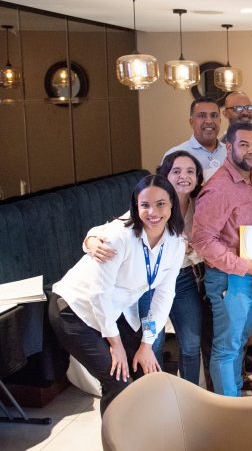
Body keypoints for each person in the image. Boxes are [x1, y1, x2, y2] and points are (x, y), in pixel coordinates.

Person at [49, 175, 185, 414]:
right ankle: (116, 443)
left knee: (146, 369)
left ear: (172, 204)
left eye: (161, 204)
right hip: (74, 310)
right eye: (145, 205)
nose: (153, 211)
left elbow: (164, 297)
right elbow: (97, 295)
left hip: (111, 310)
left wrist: (147, 344)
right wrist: (116, 344)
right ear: (135, 207)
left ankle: (143, 436)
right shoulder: (118, 237)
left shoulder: (175, 243)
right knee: (117, 380)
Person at [83, 151, 204, 385]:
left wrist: (194, 251)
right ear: (165, 175)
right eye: (176, 171)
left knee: (191, 342)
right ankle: (155, 395)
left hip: (184, 278)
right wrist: (90, 242)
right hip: (149, 284)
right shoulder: (149, 202)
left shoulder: (203, 206)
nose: (183, 177)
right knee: (152, 341)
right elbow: (105, 231)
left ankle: (190, 397)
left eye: (190, 171)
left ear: (198, 177)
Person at [192, 121, 252, 396]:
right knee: (226, 347)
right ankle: (229, 410)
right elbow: (202, 240)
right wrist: (242, 265)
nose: (251, 151)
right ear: (229, 147)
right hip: (229, 279)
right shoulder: (218, 189)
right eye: (244, 144)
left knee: (239, 343)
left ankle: (234, 392)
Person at [164, 97, 226, 179]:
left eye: (214, 115)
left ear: (220, 121)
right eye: (202, 116)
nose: (209, 121)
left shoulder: (232, 153)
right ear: (191, 122)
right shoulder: (174, 155)